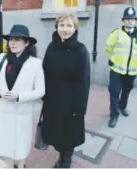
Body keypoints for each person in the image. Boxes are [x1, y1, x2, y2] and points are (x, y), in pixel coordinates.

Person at [0, 24, 45, 168]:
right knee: (5, 144)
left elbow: (41, 91)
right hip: (2, 111)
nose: (12, 43)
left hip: (21, 112)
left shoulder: (36, 63)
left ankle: (21, 165)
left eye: (17, 40)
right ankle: (9, 165)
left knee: (21, 145)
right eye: (11, 39)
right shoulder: (1, 58)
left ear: (27, 43)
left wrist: (19, 96)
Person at [41, 13, 91, 168]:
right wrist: (43, 95)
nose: (65, 29)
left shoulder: (80, 50)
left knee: (68, 136)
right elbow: (44, 72)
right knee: (56, 133)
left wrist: (80, 108)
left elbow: (84, 81)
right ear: (57, 27)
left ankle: (66, 161)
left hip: (71, 103)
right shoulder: (51, 47)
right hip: (53, 100)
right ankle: (61, 156)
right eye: (62, 25)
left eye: (69, 25)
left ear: (75, 29)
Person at [105, 7, 137, 128]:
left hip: (132, 70)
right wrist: (112, 59)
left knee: (127, 90)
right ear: (123, 20)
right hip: (117, 69)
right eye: (127, 19)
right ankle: (114, 114)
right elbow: (108, 47)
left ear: (135, 20)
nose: (130, 21)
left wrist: (135, 62)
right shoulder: (116, 33)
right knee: (114, 92)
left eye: (132, 19)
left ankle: (122, 107)